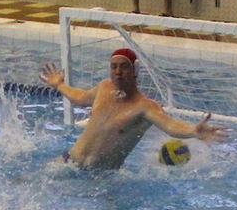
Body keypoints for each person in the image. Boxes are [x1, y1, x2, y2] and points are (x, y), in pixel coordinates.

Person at [42, 48, 227, 169]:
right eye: (114, 67)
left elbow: (170, 125)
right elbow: (82, 98)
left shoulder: (145, 106)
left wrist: (193, 131)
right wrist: (59, 85)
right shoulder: (104, 87)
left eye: (124, 67)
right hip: (70, 162)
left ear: (135, 70)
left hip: (101, 177)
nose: (118, 71)